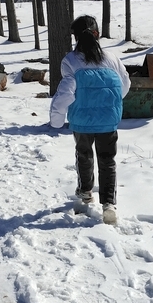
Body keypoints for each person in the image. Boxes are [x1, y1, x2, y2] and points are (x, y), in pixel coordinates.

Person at [49, 14, 130, 225]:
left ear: (75, 37)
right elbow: (124, 86)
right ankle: (109, 205)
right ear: (97, 34)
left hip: (82, 120)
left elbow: (66, 92)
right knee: (107, 160)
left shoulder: (70, 60)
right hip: (108, 119)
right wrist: (107, 103)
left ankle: (85, 193)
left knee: (84, 155)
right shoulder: (112, 58)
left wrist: (56, 120)